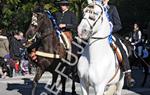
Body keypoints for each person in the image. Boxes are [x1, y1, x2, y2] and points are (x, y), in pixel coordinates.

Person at [102, 0, 135, 87]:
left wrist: (109, 30)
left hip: (110, 34)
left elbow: (118, 25)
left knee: (121, 48)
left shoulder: (112, 8)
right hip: (98, 35)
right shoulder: (97, 8)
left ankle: (128, 73)